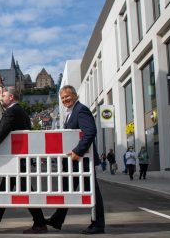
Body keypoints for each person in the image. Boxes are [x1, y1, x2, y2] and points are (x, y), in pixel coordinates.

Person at [0, 87, 47, 234]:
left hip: (16, 160)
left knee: (25, 191)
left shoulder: (12, 112)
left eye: (3, 95)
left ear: (11, 97)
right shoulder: (21, 112)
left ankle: (40, 223)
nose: (1, 97)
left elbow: (0, 132)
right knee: (7, 189)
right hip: (19, 159)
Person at [45, 85, 105, 235]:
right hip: (73, 161)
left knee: (92, 192)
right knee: (67, 189)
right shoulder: (70, 113)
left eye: (68, 96)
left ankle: (98, 224)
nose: (65, 100)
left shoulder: (81, 110)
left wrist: (79, 151)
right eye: (63, 98)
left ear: (75, 95)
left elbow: (90, 132)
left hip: (82, 160)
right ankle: (57, 219)